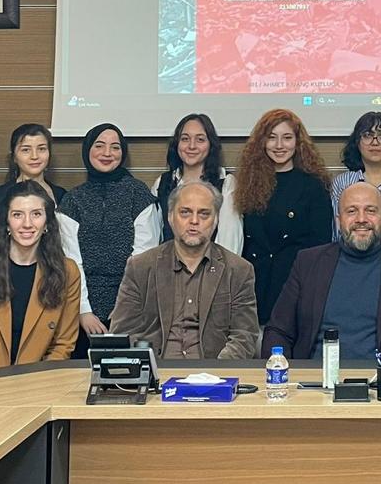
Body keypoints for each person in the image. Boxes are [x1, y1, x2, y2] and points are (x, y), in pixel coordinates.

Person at [263, 181, 381, 361]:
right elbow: (278, 330)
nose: (361, 219)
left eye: (370, 211)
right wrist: (284, 370)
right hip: (314, 375)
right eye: (352, 211)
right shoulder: (308, 263)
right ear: (338, 221)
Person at [109, 181, 260, 360]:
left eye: (204, 214)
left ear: (216, 220)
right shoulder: (140, 267)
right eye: (185, 212)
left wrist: (217, 370)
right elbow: (123, 332)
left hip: (212, 370)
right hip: (156, 370)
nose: (194, 221)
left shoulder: (239, 270)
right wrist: (148, 367)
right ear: (170, 217)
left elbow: (244, 336)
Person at [0, 181, 80, 370]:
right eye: (17, 215)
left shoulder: (67, 272)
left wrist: (32, 384)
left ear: (47, 223)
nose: (27, 224)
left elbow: (62, 346)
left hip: (38, 381)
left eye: (36, 214)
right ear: (6, 222)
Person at [235, 108, 334, 325]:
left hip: (295, 286)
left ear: (298, 142)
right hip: (255, 288)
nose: (279, 145)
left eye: (287, 138)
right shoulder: (247, 184)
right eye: (272, 137)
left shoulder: (313, 186)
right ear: (262, 142)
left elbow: (321, 246)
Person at [59, 123, 156, 340]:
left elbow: (143, 257)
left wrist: (125, 304)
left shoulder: (138, 194)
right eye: (99, 145)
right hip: (81, 304)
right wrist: (83, 311)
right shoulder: (72, 200)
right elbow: (71, 261)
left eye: (115, 147)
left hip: (133, 302)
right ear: (87, 150)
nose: (107, 153)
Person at [133, 113, 242, 255]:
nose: (192, 146)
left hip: (213, 266)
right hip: (169, 266)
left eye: (200, 139)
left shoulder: (226, 183)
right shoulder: (163, 183)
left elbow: (230, 242)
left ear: (211, 145)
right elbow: (153, 238)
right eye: (185, 139)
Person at [0, 123, 66, 254]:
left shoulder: (62, 196)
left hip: (53, 265)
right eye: (26, 150)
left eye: (41, 149)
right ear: (14, 157)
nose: (34, 156)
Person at [330, 110, 381, 251]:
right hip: (351, 260)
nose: (375, 142)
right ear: (357, 142)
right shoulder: (342, 183)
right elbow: (335, 233)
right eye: (367, 135)